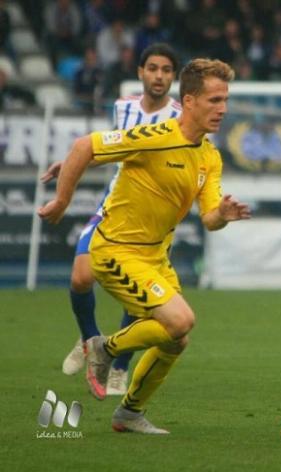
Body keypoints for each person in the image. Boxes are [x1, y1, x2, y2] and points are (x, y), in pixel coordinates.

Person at [39, 57, 251, 434]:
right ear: (188, 101)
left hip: (153, 256)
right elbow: (83, 146)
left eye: (225, 100)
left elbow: (209, 219)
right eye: (214, 100)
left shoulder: (209, 156)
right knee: (181, 320)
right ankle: (104, 347)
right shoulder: (154, 138)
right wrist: (61, 201)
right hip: (116, 249)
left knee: (176, 340)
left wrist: (222, 214)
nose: (223, 109)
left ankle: (129, 413)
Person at [43, 43, 182, 399]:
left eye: (167, 70)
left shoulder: (180, 118)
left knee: (136, 299)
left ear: (174, 77)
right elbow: (115, 148)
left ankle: (119, 368)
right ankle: (91, 340)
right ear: (140, 72)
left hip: (152, 218)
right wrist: (76, 160)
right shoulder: (123, 107)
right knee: (80, 275)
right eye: (153, 68)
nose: (159, 76)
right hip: (114, 205)